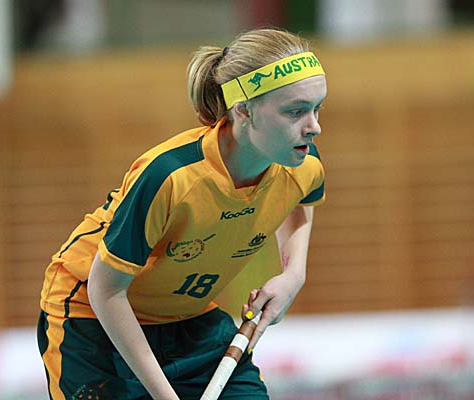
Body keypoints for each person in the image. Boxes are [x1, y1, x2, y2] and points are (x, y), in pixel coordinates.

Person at [37, 27, 327, 400]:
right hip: (94, 318)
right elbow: (105, 290)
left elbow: (300, 201)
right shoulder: (171, 176)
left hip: (188, 320)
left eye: (317, 108)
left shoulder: (302, 162)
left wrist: (293, 274)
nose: (314, 127)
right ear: (243, 110)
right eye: (295, 111)